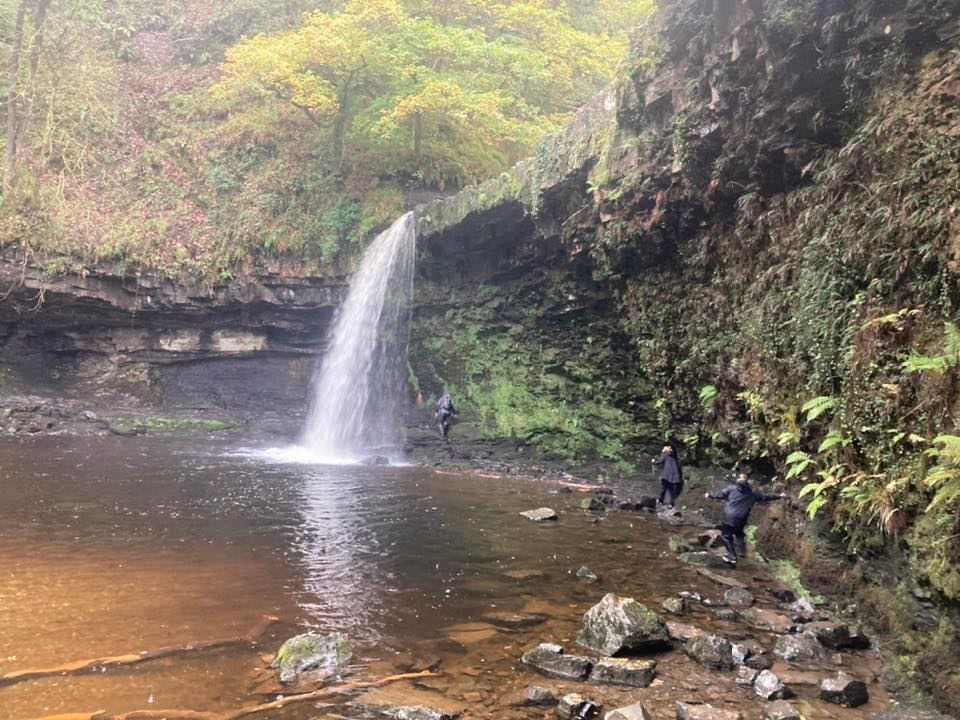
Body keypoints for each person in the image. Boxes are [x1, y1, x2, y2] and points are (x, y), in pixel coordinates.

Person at [704, 473, 786, 566]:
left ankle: (732, 557)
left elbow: (719, 494)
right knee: (739, 533)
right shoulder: (752, 494)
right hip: (742, 519)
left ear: (738, 480)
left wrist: (709, 494)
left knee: (726, 536)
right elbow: (766, 496)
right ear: (747, 482)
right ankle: (742, 552)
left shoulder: (732, 489)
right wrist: (779, 495)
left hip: (729, 518)